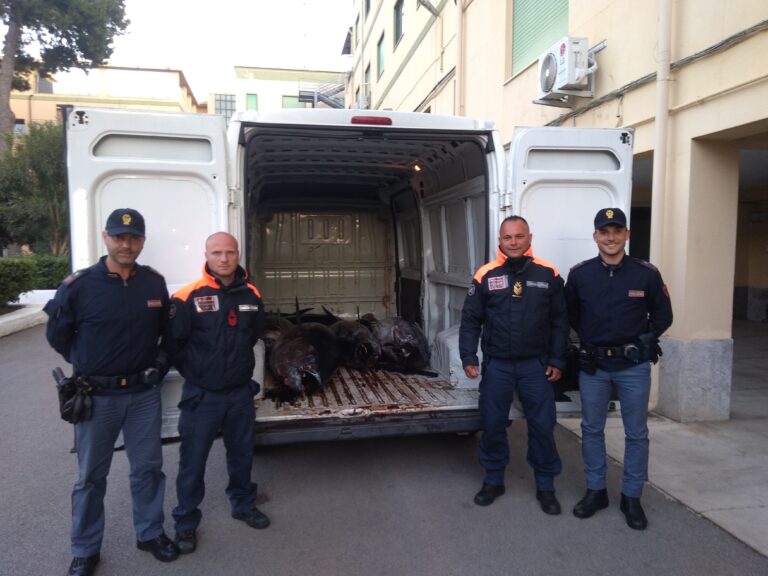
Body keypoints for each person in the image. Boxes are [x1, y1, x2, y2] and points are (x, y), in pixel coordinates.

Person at [44, 208, 179, 576]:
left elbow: (168, 333)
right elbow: (57, 335)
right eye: (119, 236)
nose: (126, 244)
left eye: (134, 238)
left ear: (142, 241)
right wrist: (88, 362)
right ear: (105, 237)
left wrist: (160, 364)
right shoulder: (80, 285)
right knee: (90, 477)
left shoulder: (153, 283)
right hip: (96, 397)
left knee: (149, 469)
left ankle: (150, 533)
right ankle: (85, 549)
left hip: (142, 395)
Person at [565, 207, 673, 530]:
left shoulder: (646, 274)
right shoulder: (580, 275)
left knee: (636, 433)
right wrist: (589, 338)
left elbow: (664, 315)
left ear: (627, 234)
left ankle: (631, 497)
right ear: (595, 236)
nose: (610, 237)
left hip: (633, 366)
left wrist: (646, 339)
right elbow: (569, 314)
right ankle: (596, 491)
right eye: (604, 231)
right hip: (594, 366)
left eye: (617, 231)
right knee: (592, 429)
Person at [459, 216, 569, 514]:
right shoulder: (486, 274)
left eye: (519, 236)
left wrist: (558, 359)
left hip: (536, 366)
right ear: (500, 240)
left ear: (529, 237)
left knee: (542, 426)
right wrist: (469, 357)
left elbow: (560, 321)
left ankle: (545, 486)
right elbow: (470, 320)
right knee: (493, 424)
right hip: (498, 366)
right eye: (508, 237)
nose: (514, 242)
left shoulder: (548, 273)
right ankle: (494, 479)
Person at [168, 232, 269, 554]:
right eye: (216, 253)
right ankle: (185, 522)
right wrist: (199, 373)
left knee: (241, 455)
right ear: (206, 255)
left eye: (229, 252)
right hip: (202, 396)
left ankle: (243, 504)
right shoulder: (188, 296)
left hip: (239, 394)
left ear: (237, 254)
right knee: (192, 462)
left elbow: (254, 333)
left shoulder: (252, 294)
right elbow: (173, 344)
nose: (223, 259)